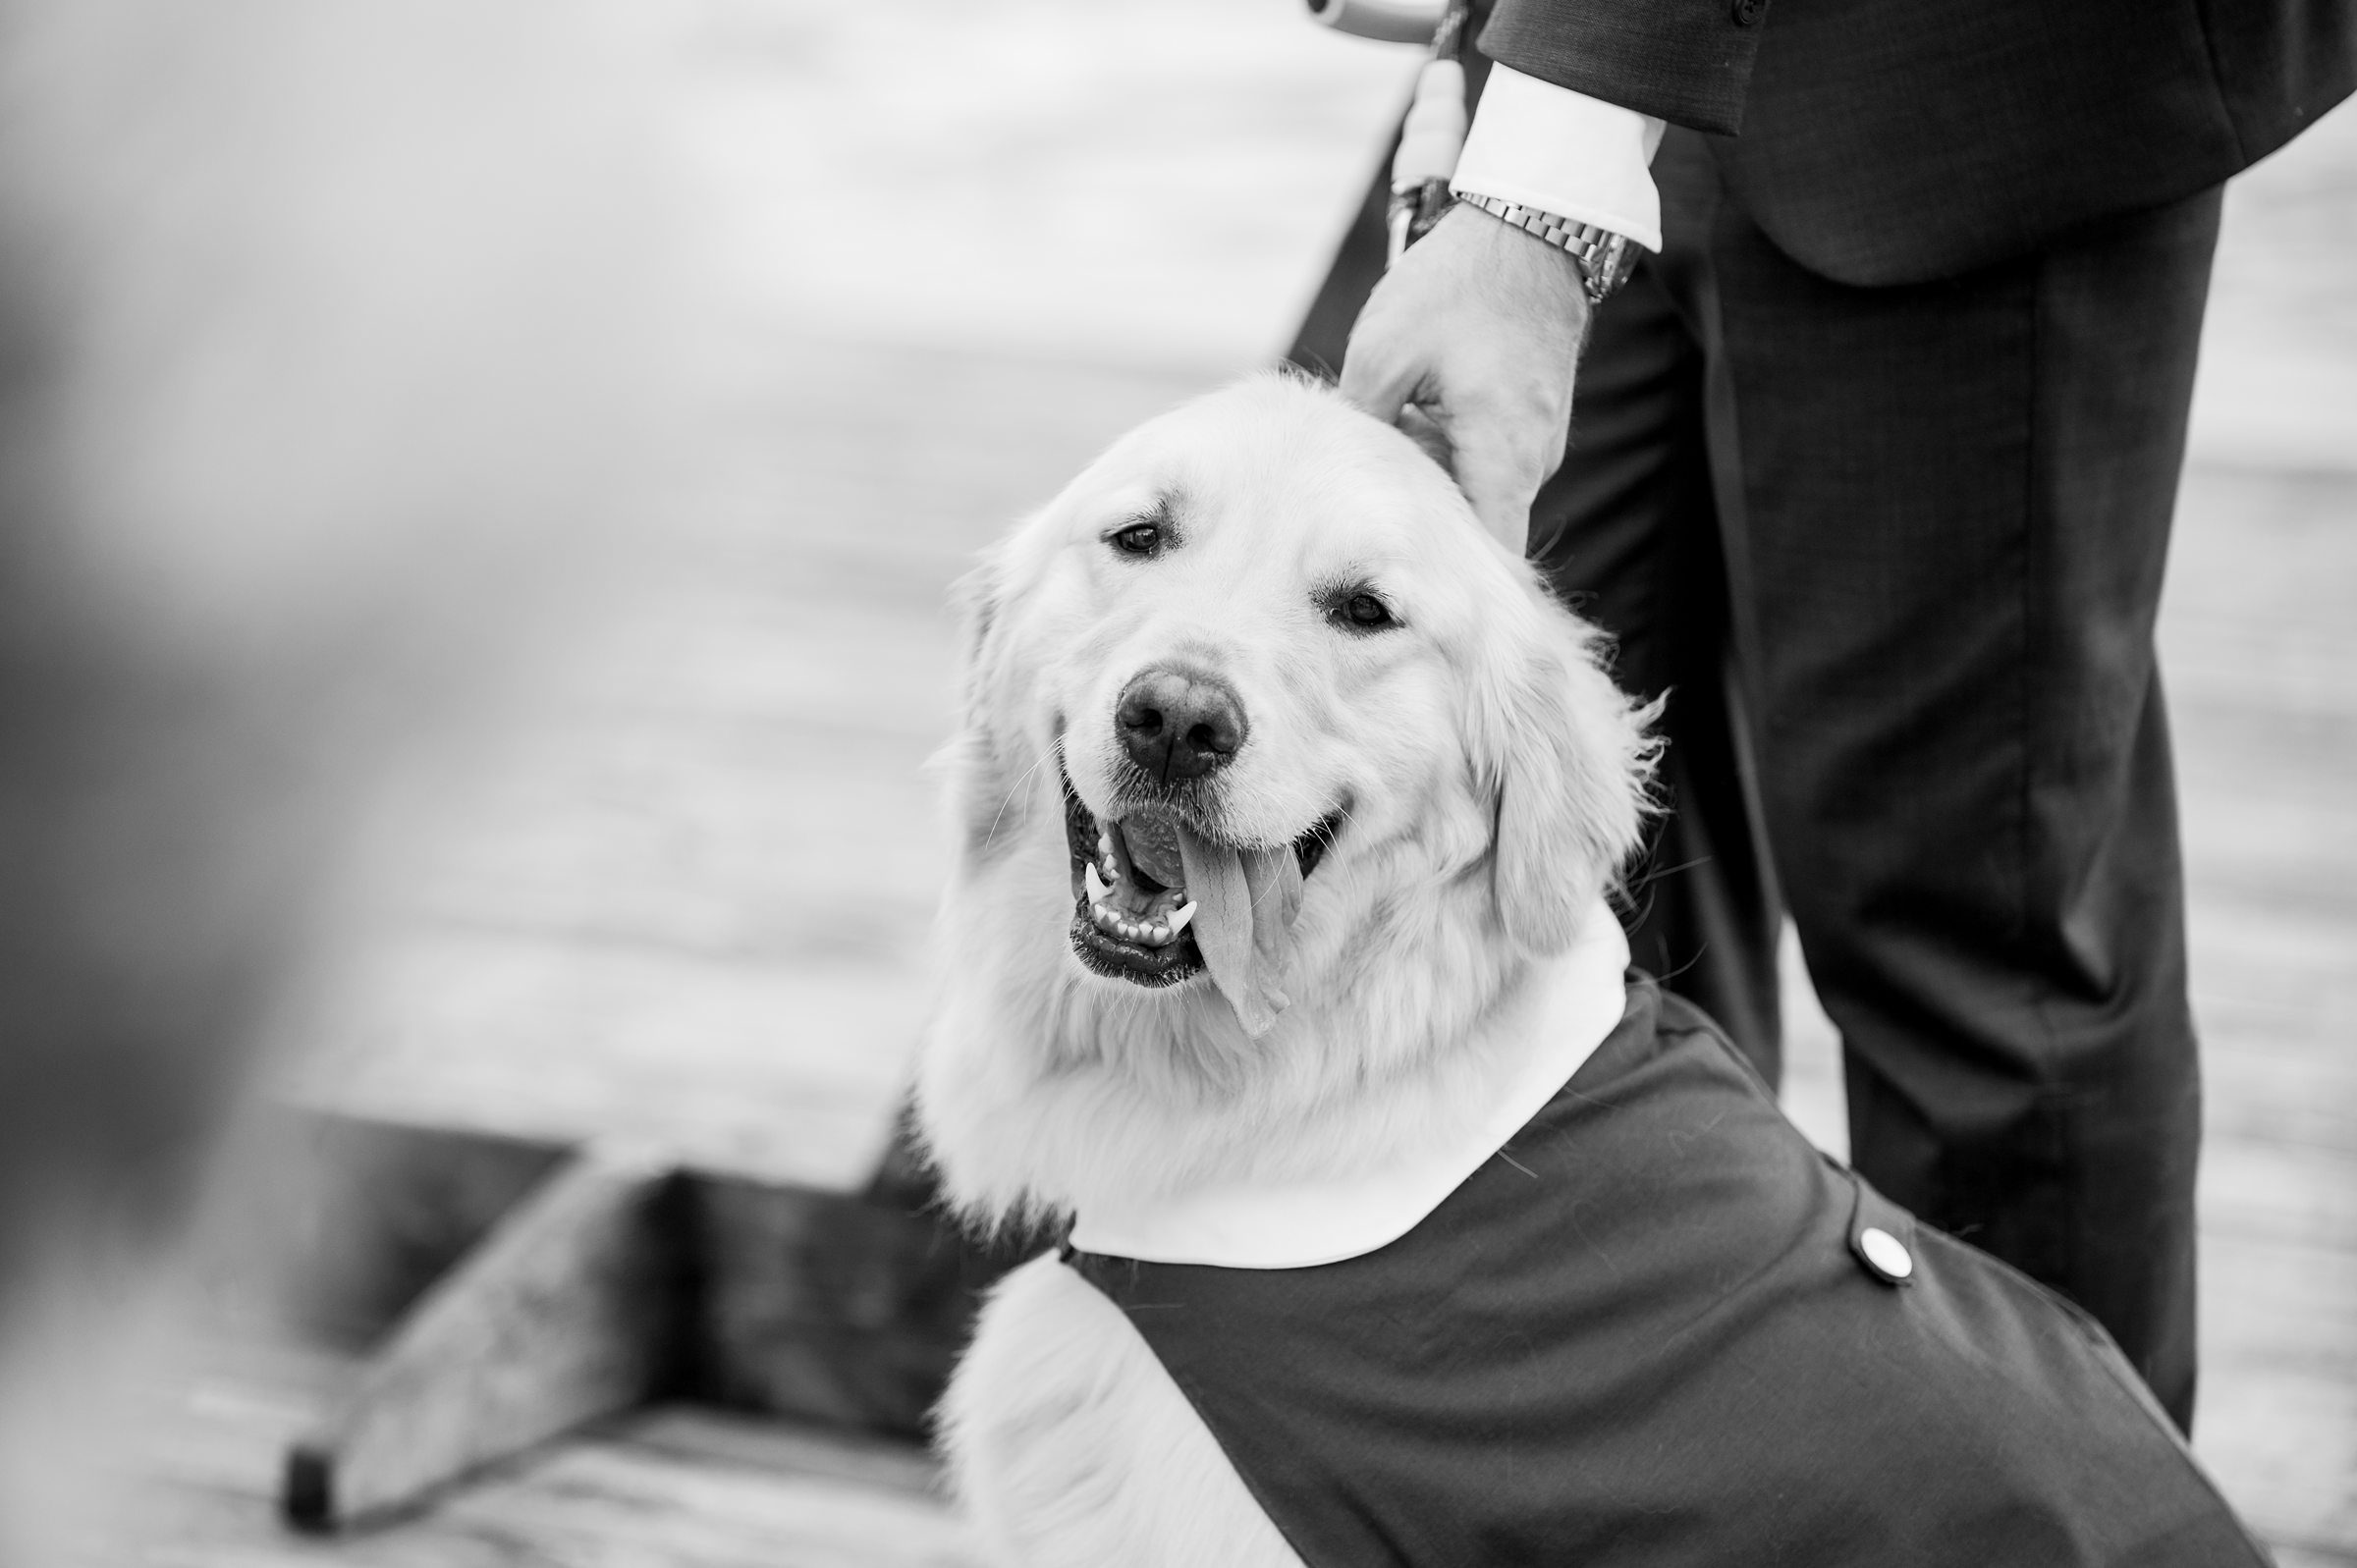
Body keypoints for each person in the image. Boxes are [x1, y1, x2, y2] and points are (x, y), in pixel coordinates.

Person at [1289, 0, 2355, 1433]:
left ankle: (2039, 1522)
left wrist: (1534, 206)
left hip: (1953, 74)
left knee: (1965, 941)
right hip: (1592, 61)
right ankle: (1665, 1480)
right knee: (1561, 873)